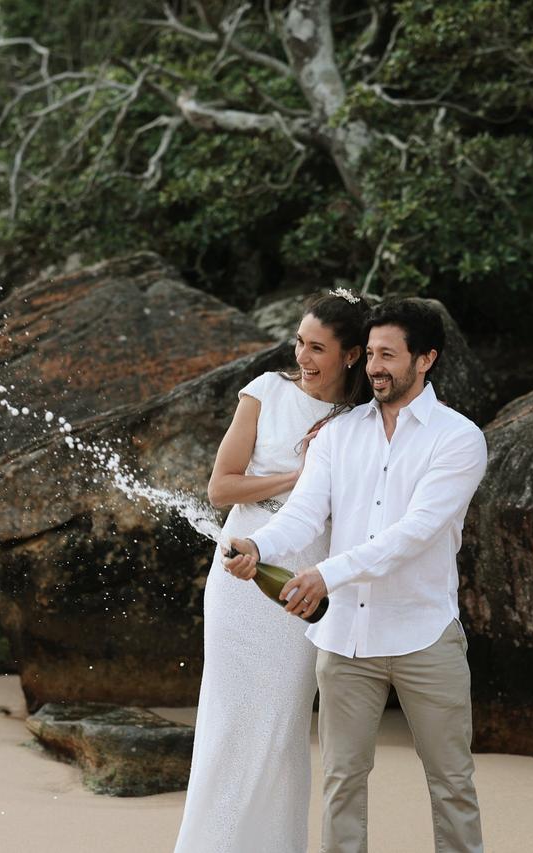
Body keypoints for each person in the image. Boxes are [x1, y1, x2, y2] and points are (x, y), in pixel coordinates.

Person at [225, 298, 488, 853]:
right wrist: (257, 543)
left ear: (427, 359)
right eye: (369, 354)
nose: (374, 367)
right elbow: (302, 514)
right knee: (341, 783)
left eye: (388, 355)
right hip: (344, 641)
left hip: (426, 636)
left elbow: (414, 534)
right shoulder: (338, 437)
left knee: (452, 785)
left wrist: (326, 574)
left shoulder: (459, 438)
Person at [173, 290, 371, 853]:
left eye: (318, 348)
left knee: (281, 723)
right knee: (227, 713)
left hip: (303, 584)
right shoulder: (265, 392)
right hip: (239, 574)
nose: (303, 357)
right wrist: (298, 476)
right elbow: (221, 486)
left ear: (352, 355)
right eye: (299, 343)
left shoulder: (362, 421)